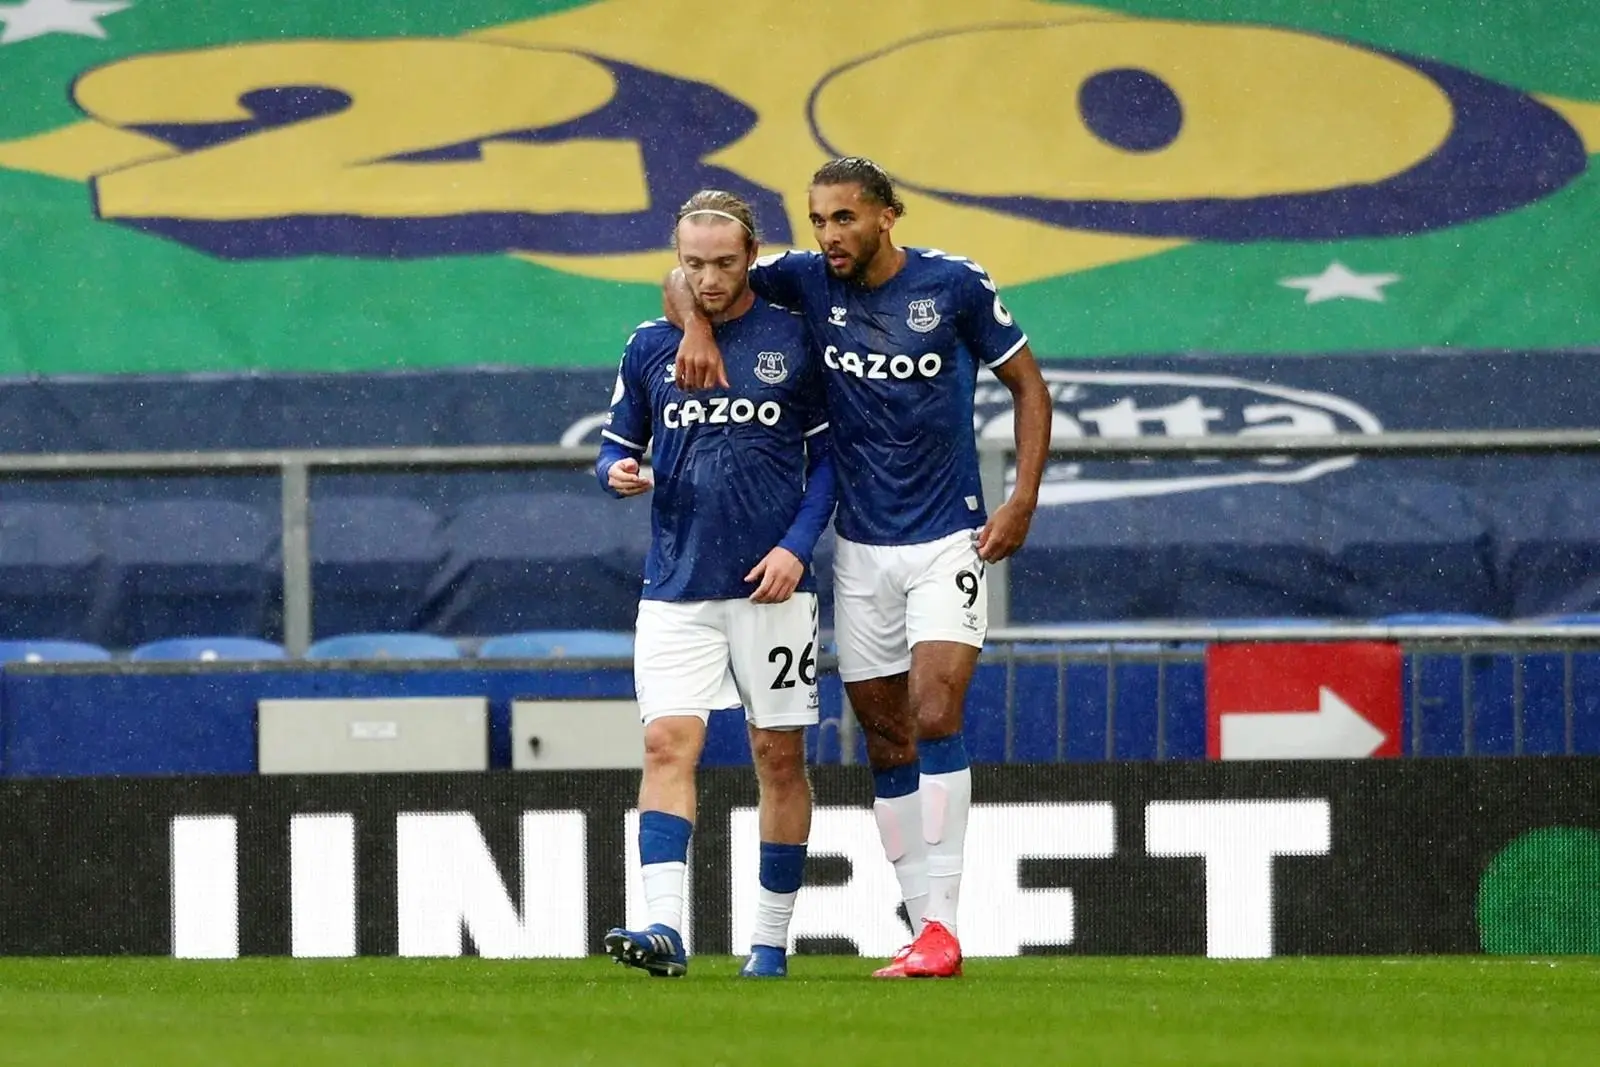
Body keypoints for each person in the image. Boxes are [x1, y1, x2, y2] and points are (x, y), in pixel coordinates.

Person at [666, 157, 1051, 978]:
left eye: (844, 218)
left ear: (887, 215)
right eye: (817, 220)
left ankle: (942, 925)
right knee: (886, 736)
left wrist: (1021, 497)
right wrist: (696, 327)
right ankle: (922, 925)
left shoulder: (954, 285)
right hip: (862, 548)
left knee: (934, 709)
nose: (829, 234)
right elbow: (693, 278)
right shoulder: (807, 280)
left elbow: (1028, 385)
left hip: (948, 535)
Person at [598, 190, 835, 979]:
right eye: (693, 263)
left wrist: (797, 547)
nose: (707, 278)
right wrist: (618, 472)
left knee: (777, 755)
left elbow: (830, 459)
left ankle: (769, 941)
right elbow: (615, 446)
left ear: (752, 256)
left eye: (724, 263)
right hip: (675, 585)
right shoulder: (648, 344)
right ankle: (664, 928)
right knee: (666, 744)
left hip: (773, 589)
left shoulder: (792, 337)